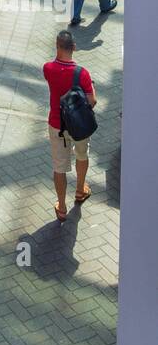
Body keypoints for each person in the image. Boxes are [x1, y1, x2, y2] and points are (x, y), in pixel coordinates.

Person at [44, 29, 96, 222]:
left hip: (57, 125)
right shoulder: (82, 73)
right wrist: (91, 85)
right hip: (79, 126)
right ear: (74, 47)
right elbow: (92, 101)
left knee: (59, 167)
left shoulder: (48, 68)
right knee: (82, 155)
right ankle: (81, 190)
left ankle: (62, 207)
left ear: (57, 46)